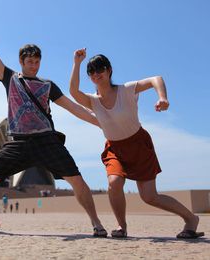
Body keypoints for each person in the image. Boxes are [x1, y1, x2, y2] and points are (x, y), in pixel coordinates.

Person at [0, 6, 106, 236]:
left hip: (46, 141)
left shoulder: (47, 85)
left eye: (37, 61)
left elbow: (73, 108)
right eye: (30, 61)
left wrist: (100, 122)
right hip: (18, 142)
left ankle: (96, 223)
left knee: (77, 181)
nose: (34, 64)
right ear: (21, 61)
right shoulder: (9, 78)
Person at [69, 48, 204, 239]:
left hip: (139, 144)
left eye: (100, 69)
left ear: (109, 70)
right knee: (114, 183)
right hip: (114, 148)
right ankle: (121, 226)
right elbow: (73, 91)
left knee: (149, 197)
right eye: (91, 72)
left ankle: (191, 219)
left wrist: (162, 97)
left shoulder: (126, 89)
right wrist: (77, 63)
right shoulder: (93, 102)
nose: (95, 74)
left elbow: (155, 79)